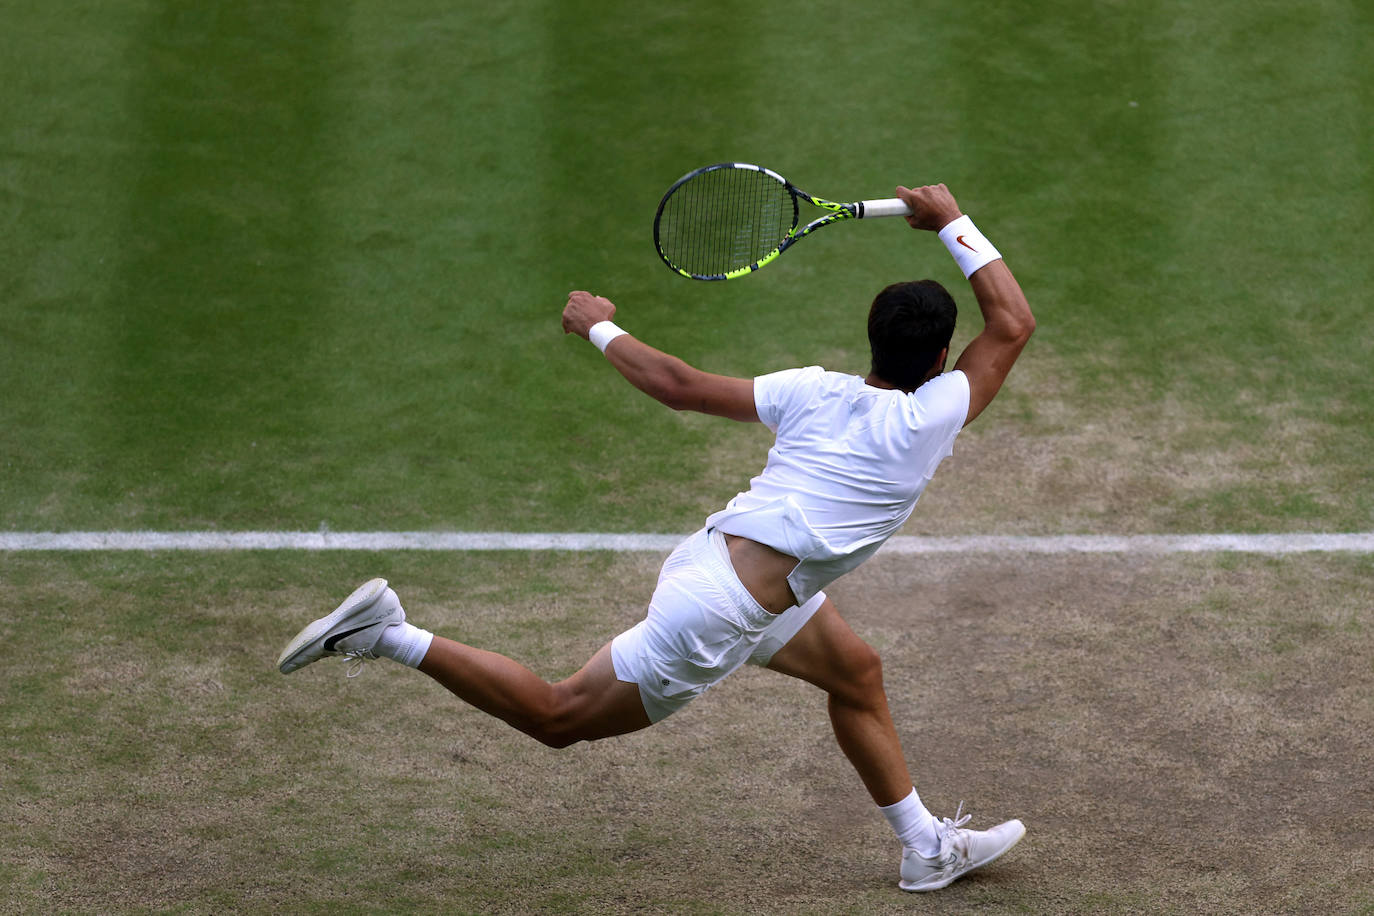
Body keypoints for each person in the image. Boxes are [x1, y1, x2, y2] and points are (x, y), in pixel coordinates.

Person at [277, 182, 1035, 893]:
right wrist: (952, 222)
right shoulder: (931, 417)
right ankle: (390, 634)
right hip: (719, 613)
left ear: (870, 341)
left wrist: (597, 321)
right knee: (556, 716)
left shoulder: (811, 389)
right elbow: (1012, 323)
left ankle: (924, 848)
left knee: (856, 675)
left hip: (720, 562)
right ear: (940, 360)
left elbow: (678, 386)